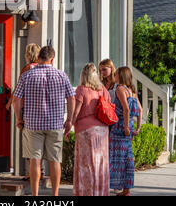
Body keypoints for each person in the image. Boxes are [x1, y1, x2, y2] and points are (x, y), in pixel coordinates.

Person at [12, 46, 76, 196]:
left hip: (33, 124)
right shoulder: (62, 75)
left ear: (39, 57)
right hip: (54, 124)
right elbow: (71, 98)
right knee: (54, 160)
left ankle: (35, 195)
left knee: (35, 160)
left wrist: (18, 118)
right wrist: (70, 120)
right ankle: (54, 195)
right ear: (52, 59)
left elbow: (16, 100)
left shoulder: (27, 75)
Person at [65, 63, 111, 196]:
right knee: (100, 164)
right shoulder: (102, 89)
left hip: (86, 131)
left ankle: (87, 192)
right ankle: (100, 192)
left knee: (87, 164)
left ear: (83, 75)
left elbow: (75, 112)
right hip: (102, 130)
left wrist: (68, 126)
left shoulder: (81, 89)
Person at [6, 43, 41, 180]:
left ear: (28, 54)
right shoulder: (42, 68)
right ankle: (40, 171)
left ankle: (31, 173)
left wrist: (9, 103)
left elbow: (19, 90)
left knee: (29, 141)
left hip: (28, 108)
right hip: (41, 109)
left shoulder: (27, 69)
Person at [109, 66, 143, 196]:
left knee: (116, 158)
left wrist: (126, 128)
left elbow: (126, 109)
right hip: (129, 127)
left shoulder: (120, 89)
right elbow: (140, 110)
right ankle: (126, 190)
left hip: (120, 128)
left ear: (121, 75)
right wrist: (138, 128)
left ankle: (118, 188)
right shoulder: (132, 90)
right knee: (128, 158)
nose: (114, 76)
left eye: (116, 74)